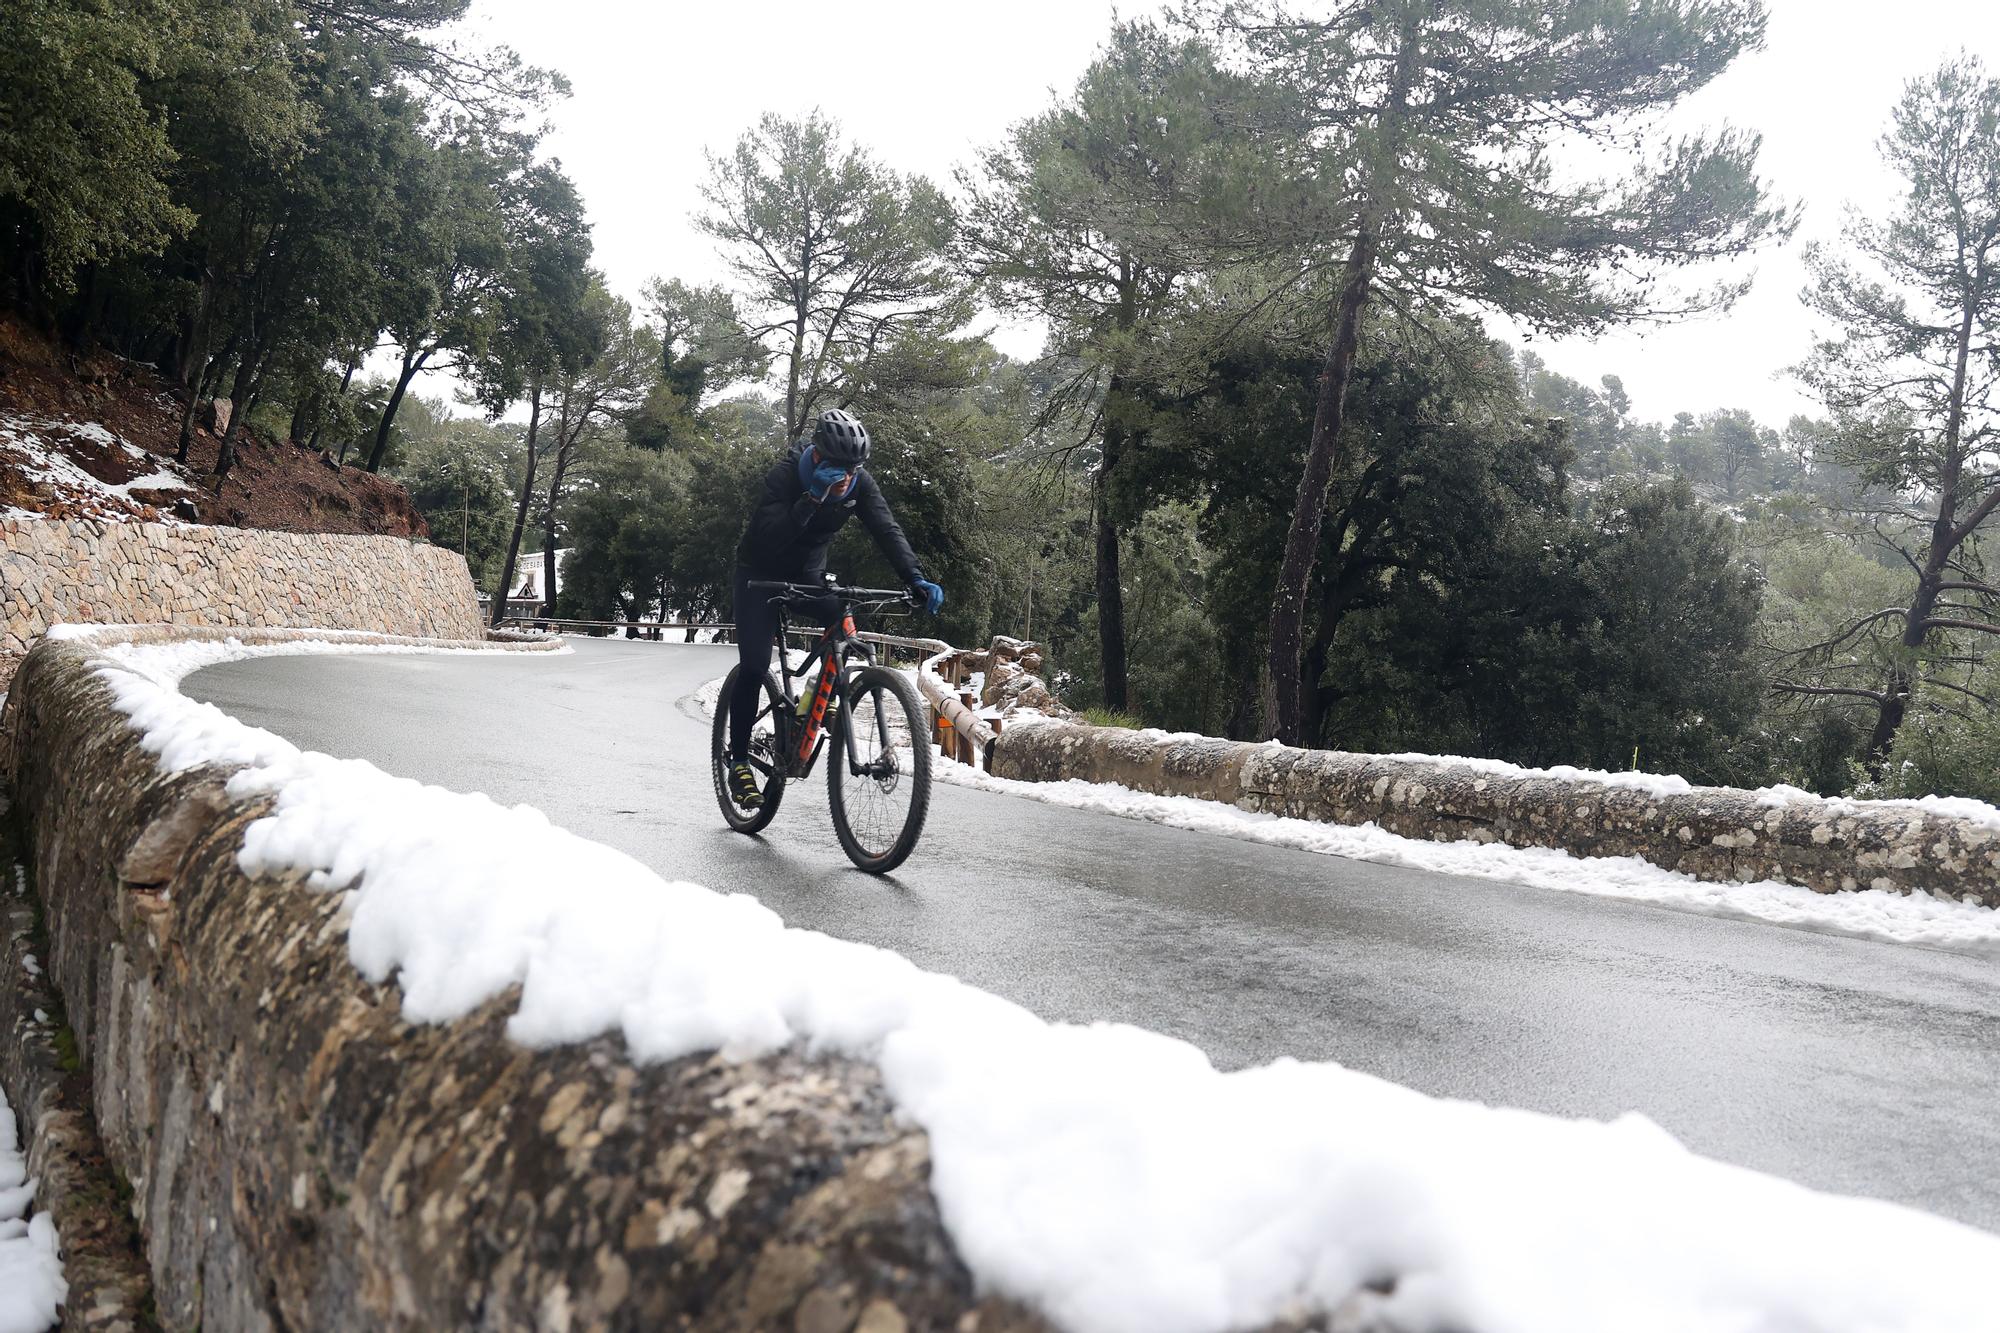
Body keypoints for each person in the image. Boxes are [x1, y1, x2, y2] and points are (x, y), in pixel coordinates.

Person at [725, 408, 943, 809]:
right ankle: (738, 762)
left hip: (808, 576)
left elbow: (886, 529)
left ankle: (814, 706)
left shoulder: (860, 483)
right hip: (759, 575)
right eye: (840, 467)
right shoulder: (786, 475)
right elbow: (765, 538)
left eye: (855, 468)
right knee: (754, 666)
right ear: (818, 457)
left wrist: (915, 577)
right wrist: (811, 499)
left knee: (842, 618)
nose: (847, 476)